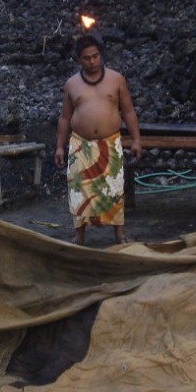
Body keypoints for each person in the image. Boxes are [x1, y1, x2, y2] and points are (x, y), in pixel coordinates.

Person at [54, 34, 142, 245]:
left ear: (101, 56)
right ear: (79, 59)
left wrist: (136, 139)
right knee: (79, 191)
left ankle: (119, 235)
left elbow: (128, 112)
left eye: (95, 56)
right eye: (87, 58)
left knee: (114, 189)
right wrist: (59, 146)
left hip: (109, 143)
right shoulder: (71, 84)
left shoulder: (116, 79)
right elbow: (65, 117)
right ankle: (80, 236)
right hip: (80, 145)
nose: (92, 61)